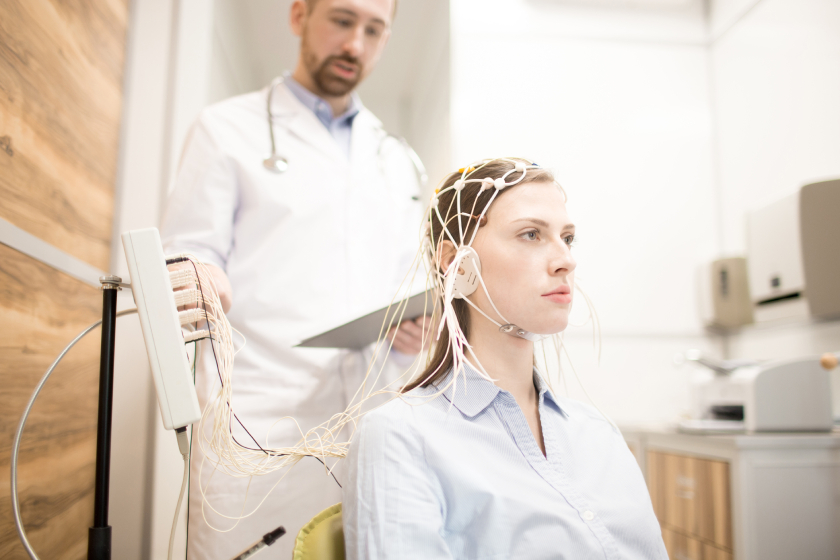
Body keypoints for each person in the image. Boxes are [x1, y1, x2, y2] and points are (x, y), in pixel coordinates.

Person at [160, 0, 430, 557]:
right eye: (341, 20)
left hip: (370, 416)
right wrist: (200, 274)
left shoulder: (398, 159)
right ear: (298, 15)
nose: (355, 44)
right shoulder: (226, 129)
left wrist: (413, 326)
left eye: (374, 29)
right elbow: (187, 251)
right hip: (258, 418)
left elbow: (409, 276)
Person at [343, 158, 668, 559]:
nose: (566, 259)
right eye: (531, 234)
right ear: (454, 262)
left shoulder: (598, 433)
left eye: (568, 238)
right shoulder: (400, 437)